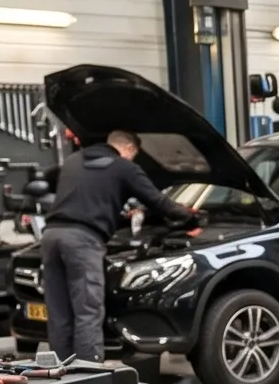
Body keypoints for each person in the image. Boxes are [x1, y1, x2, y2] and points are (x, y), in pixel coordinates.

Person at [41, 128, 198, 364]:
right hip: (83, 241)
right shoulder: (124, 167)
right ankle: (89, 378)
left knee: (60, 313)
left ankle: (59, 375)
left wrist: (124, 218)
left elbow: (87, 201)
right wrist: (190, 219)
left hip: (51, 237)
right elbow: (156, 200)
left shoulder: (73, 161)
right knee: (88, 312)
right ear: (129, 149)